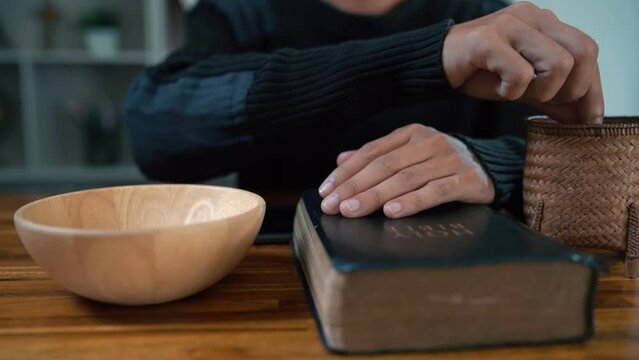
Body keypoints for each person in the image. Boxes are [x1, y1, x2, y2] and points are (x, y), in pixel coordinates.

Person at [124, 0, 602, 220]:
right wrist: (428, 57)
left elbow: (543, 165)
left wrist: (485, 163)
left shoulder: (483, 16)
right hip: (270, 279)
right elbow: (156, 127)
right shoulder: (242, 12)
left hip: (458, 281)